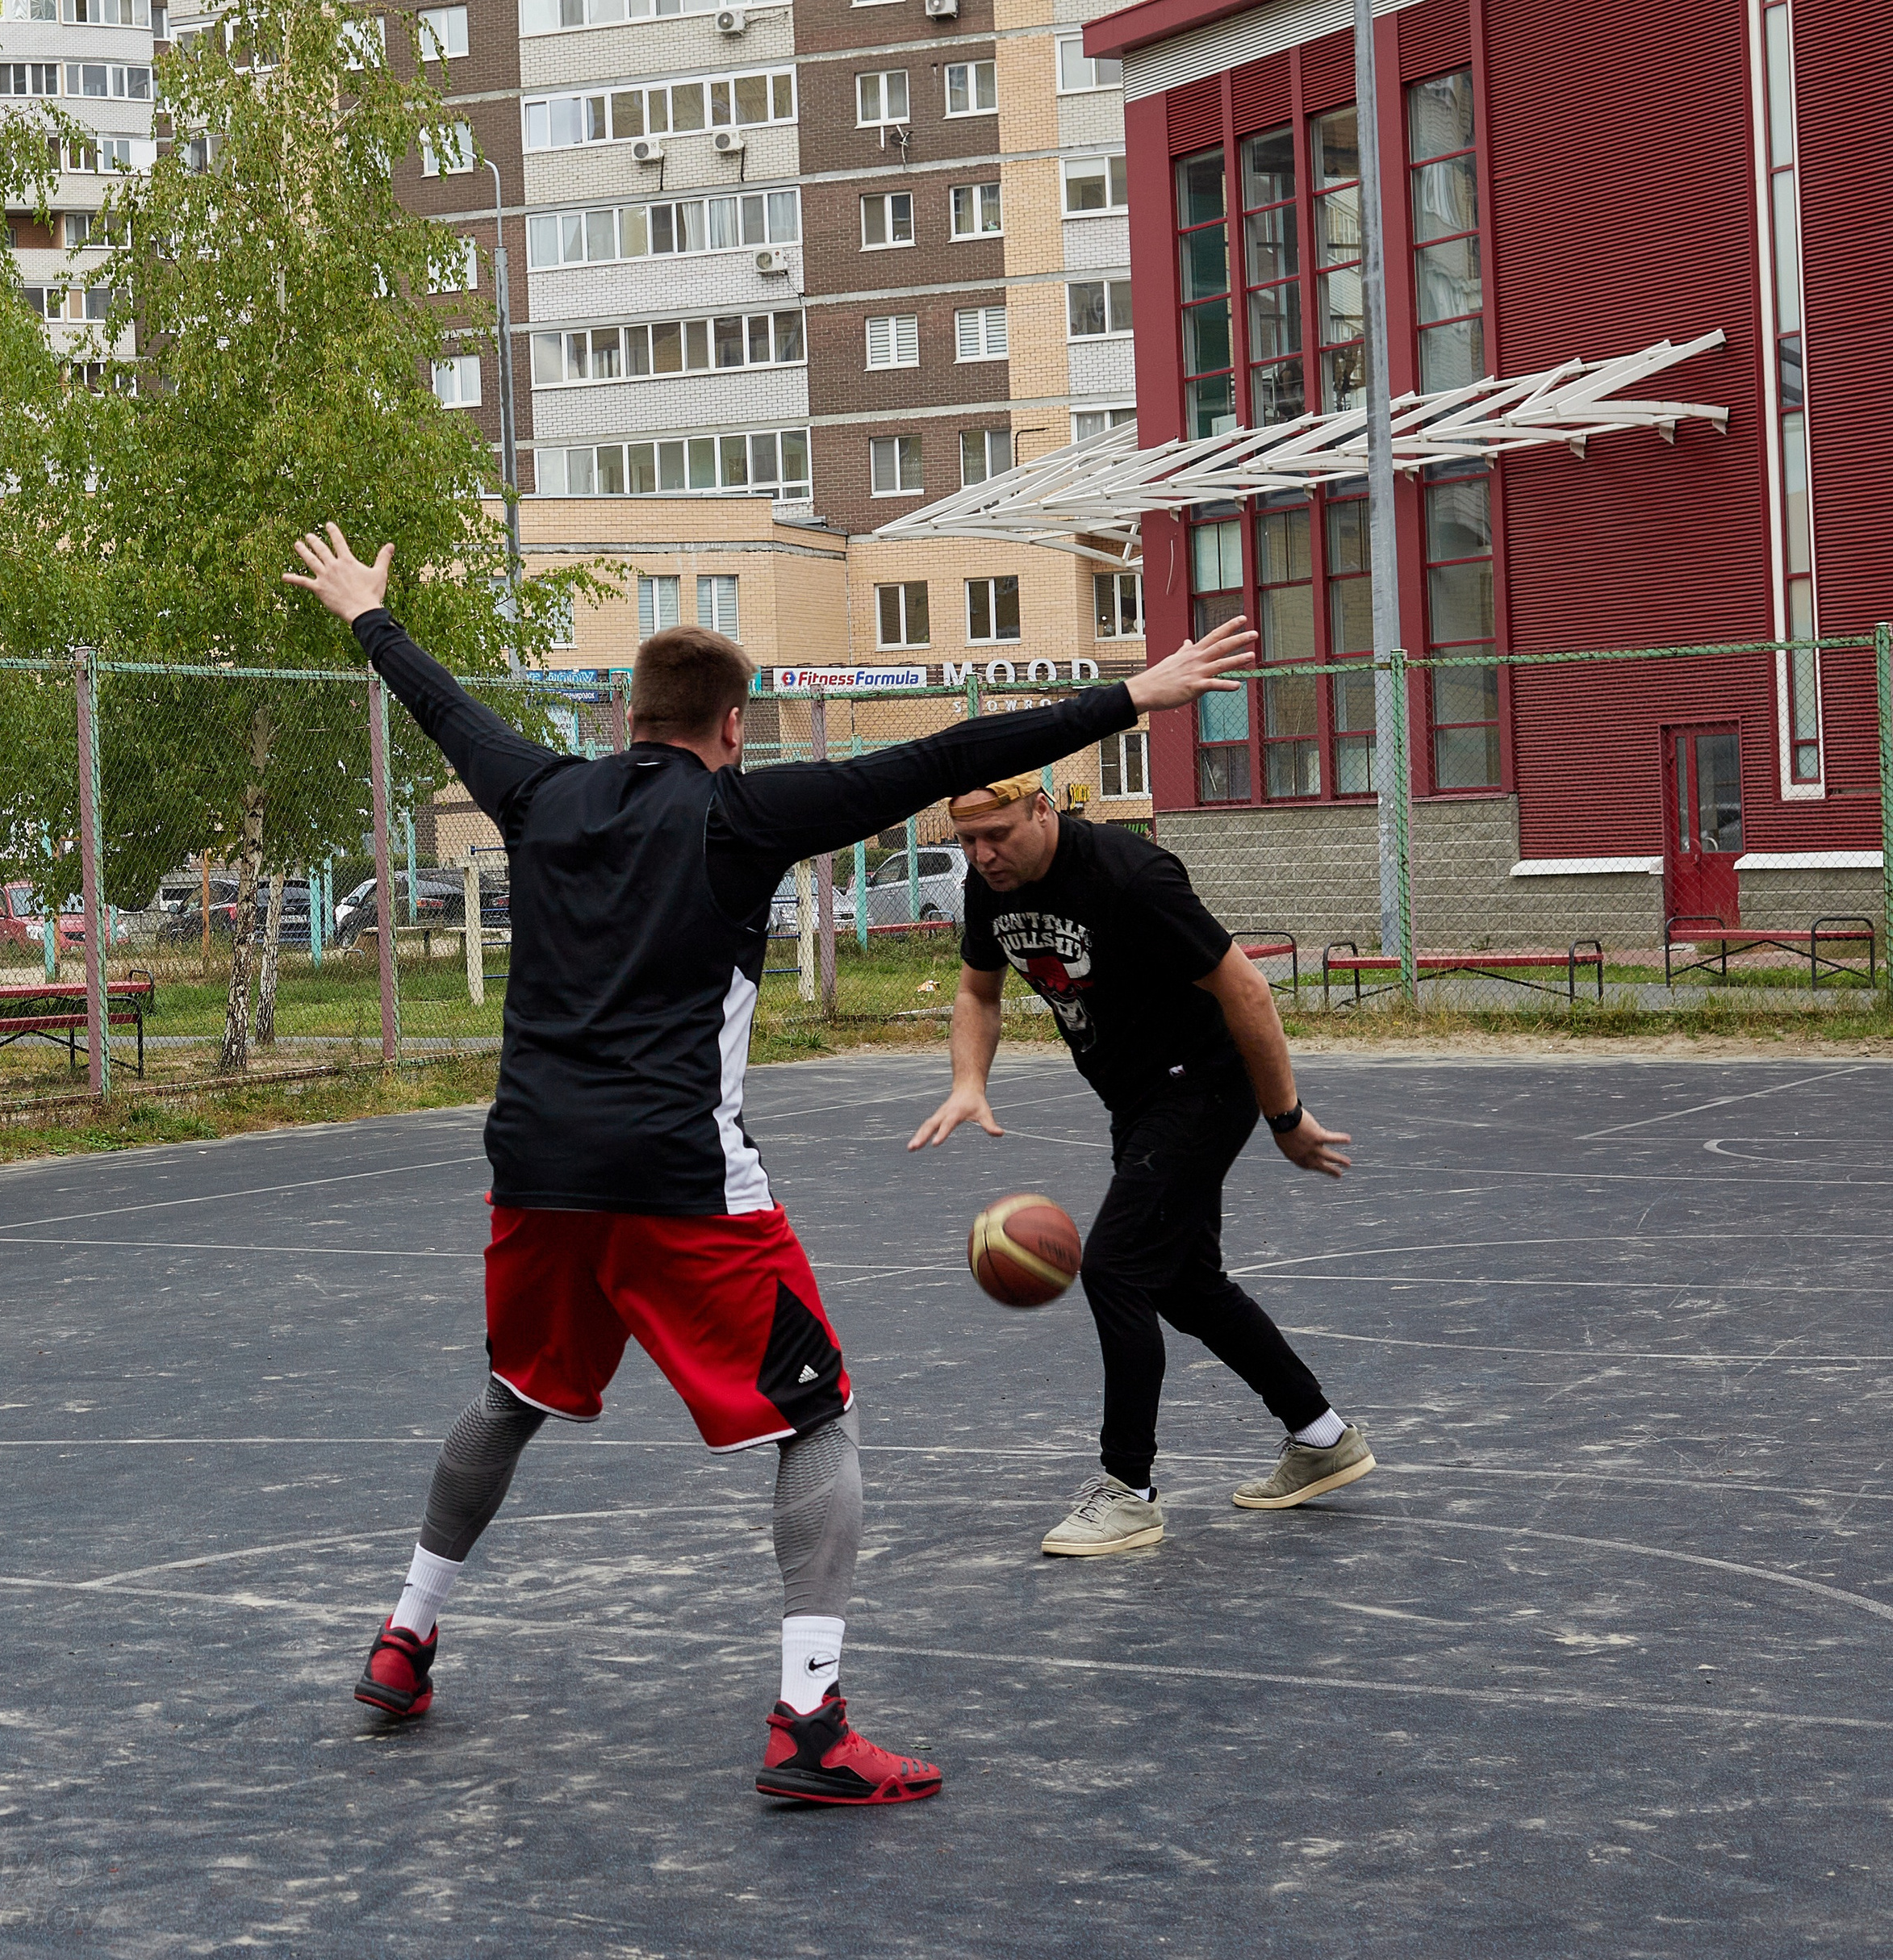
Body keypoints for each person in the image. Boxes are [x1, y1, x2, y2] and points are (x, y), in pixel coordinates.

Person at [285, 523, 1256, 1802]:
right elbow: (952, 755)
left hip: (531, 1169)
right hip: (679, 1173)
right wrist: (1134, 693)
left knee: (513, 1394)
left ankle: (405, 1638)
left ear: (631, 713)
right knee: (819, 1415)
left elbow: (444, 710)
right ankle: (809, 1724)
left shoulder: (536, 791)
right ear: (733, 725)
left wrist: (368, 612)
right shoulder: (745, 814)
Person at [908, 771, 1372, 1556]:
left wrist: (1284, 1115)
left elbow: (1247, 990)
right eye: (967, 840)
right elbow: (978, 991)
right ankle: (1321, 1435)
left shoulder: (1129, 874)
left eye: (999, 834)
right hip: (1137, 1099)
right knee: (1184, 1281)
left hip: (1202, 1084)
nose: (982, 855)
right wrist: (966, 1081)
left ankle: (1128, 1488)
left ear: (1042, 810)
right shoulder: (993, 885)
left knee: (1117, 1267)